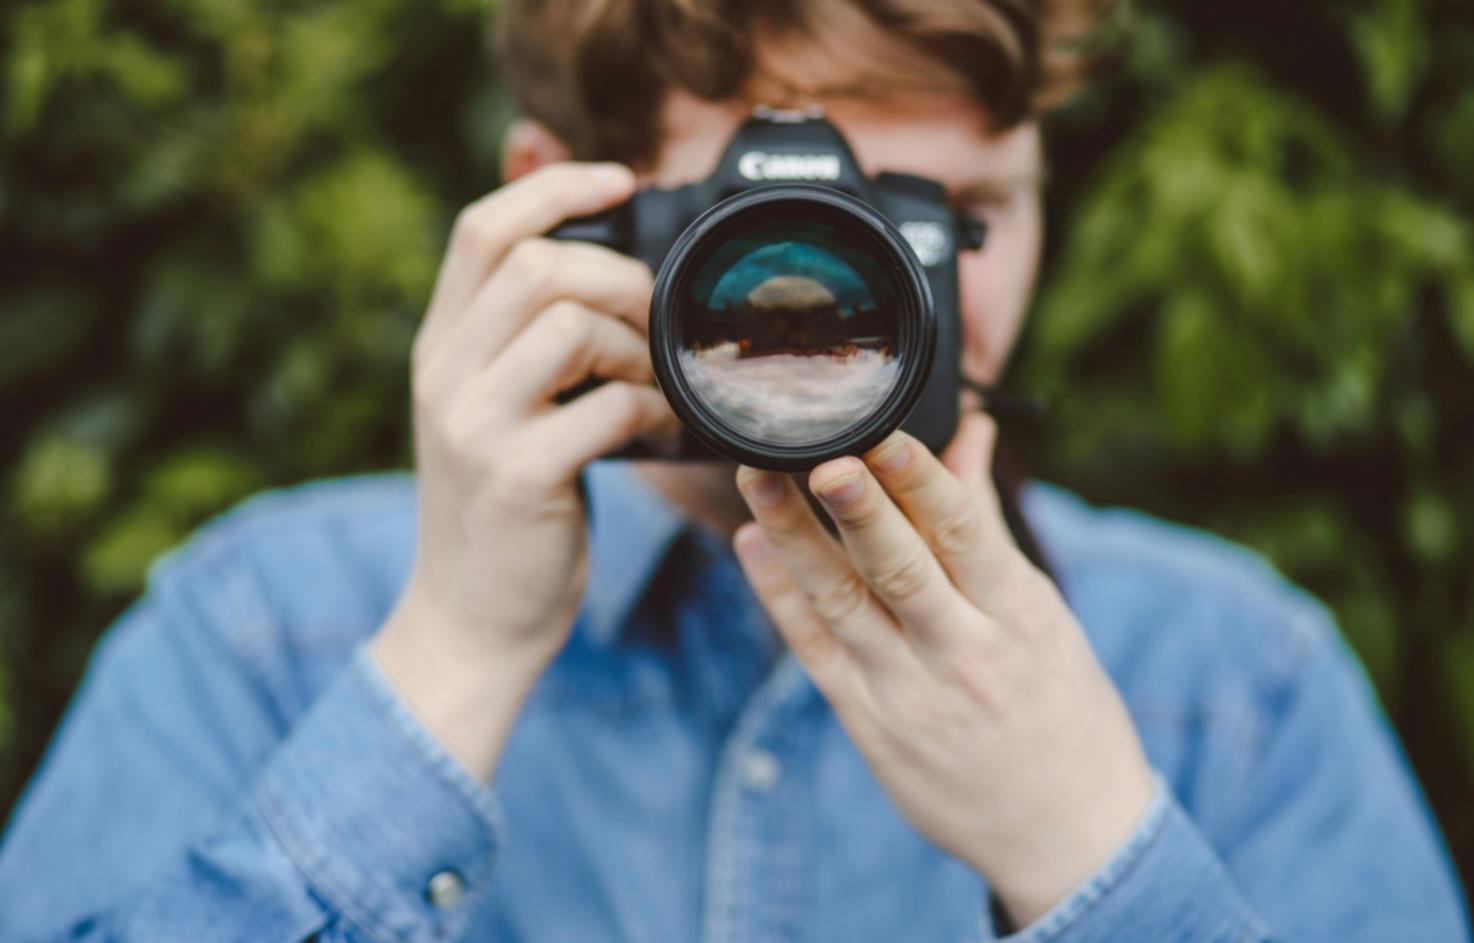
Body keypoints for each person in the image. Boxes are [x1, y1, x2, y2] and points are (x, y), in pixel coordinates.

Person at [0, 0, 1467, 940]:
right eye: (792, 237)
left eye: (950, 218)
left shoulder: (1234, 679)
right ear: (556, 209)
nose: (867, 304)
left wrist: (1092, 850)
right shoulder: (265, 627)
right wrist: (451, 660)